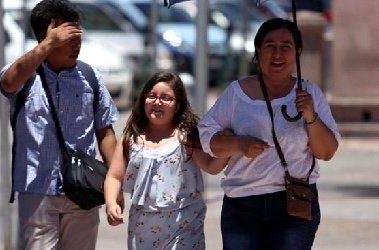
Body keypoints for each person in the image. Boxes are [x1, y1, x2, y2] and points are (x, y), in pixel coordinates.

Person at [198, 18, 340, 249]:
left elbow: (326, 152)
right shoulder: (236, 93)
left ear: (298, 52)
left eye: (286, 46)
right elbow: (205, 137)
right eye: (270, 46)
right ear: (258, 51)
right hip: (242, 206)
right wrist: (238, 145)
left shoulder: (310, 94)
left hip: (295, 204)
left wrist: (311, 116)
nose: (277, 54)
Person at [0, 0, 119, 249]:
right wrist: (49, 43)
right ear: (47, 38)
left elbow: (105, 132)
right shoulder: (24, 75)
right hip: (37, 190)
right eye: (69, 39)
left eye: (79, 38)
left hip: (83, 191)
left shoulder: (89, 77)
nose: (77, 46)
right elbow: (8, 83)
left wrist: (115, 180)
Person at [104, 71, 228, 249]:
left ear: (177, 106)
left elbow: (210, 165)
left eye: (166, 98)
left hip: (185, 224)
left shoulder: (186, 136)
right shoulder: (131, 137)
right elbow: (114, 176)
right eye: (152, 96)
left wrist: (230, 148)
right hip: (142, 227)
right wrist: (111, 203)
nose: (157, 102)